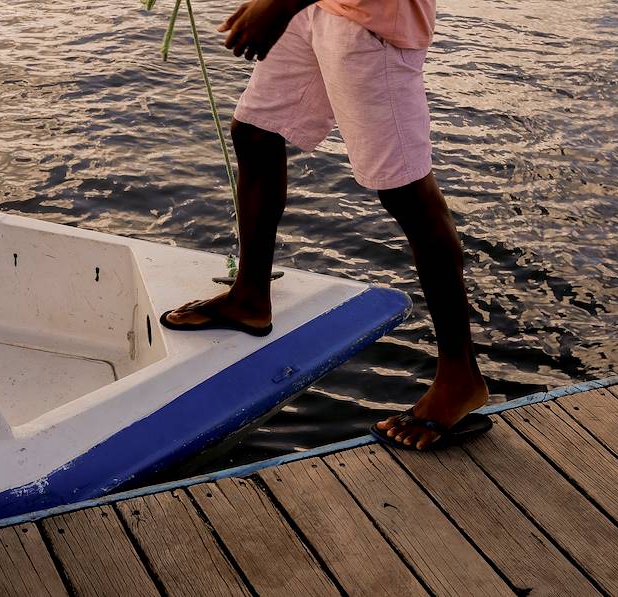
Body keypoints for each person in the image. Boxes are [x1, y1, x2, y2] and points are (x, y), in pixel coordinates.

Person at [161, 0, 491, 450]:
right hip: (315, 8)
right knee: (255, 132)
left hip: (374, 22)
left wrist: (275, 6)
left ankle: (460, 378)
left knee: (406, 192)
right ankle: (250, 297)